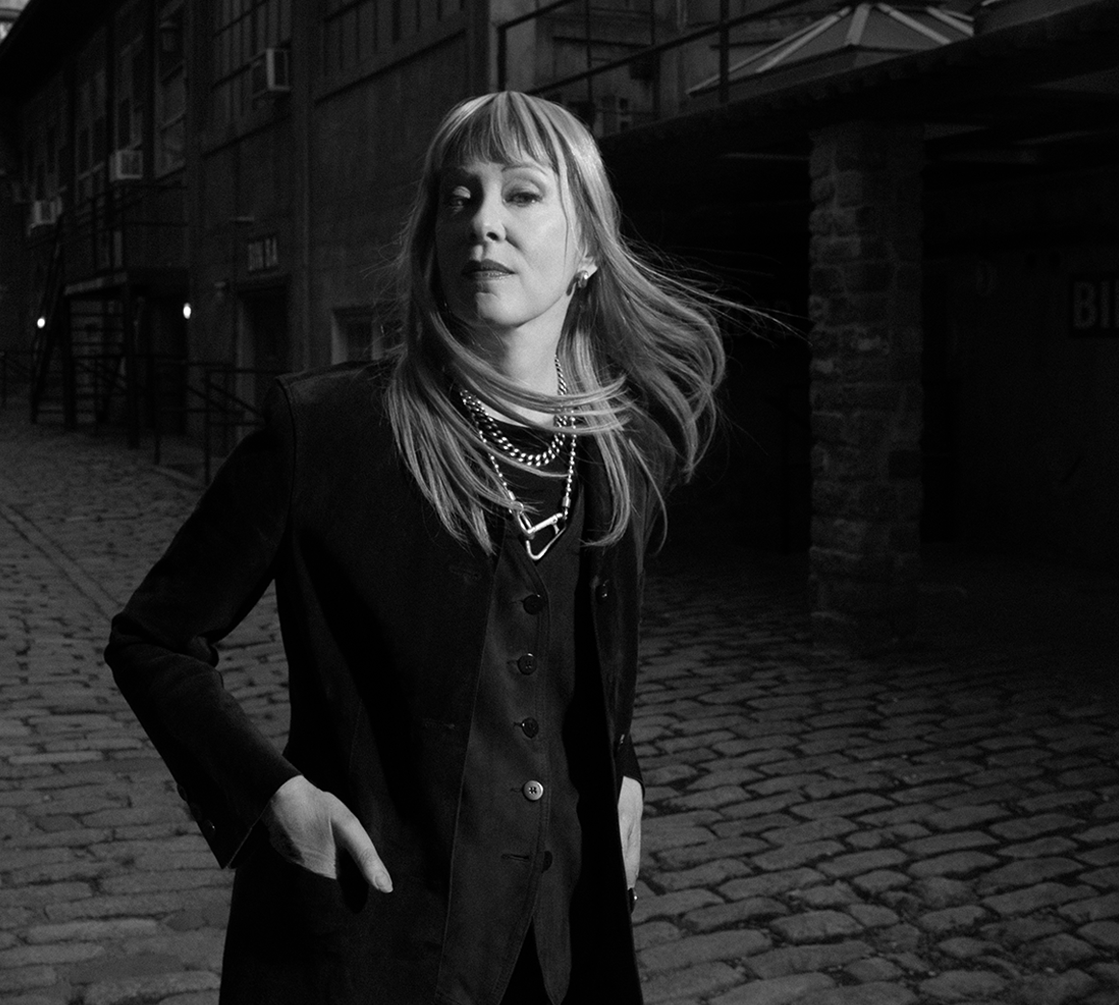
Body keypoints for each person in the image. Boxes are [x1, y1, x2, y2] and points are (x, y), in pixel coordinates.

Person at [105, 91, 727, 1005]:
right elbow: (152, 638)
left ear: (589, 248)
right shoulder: (329, 430)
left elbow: (583, 673)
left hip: (560, 936)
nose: (484, 222)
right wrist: (274, 797)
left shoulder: (618, 449)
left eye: (522, 194)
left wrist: (621, 772)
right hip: (377, 941)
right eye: (459, 197)